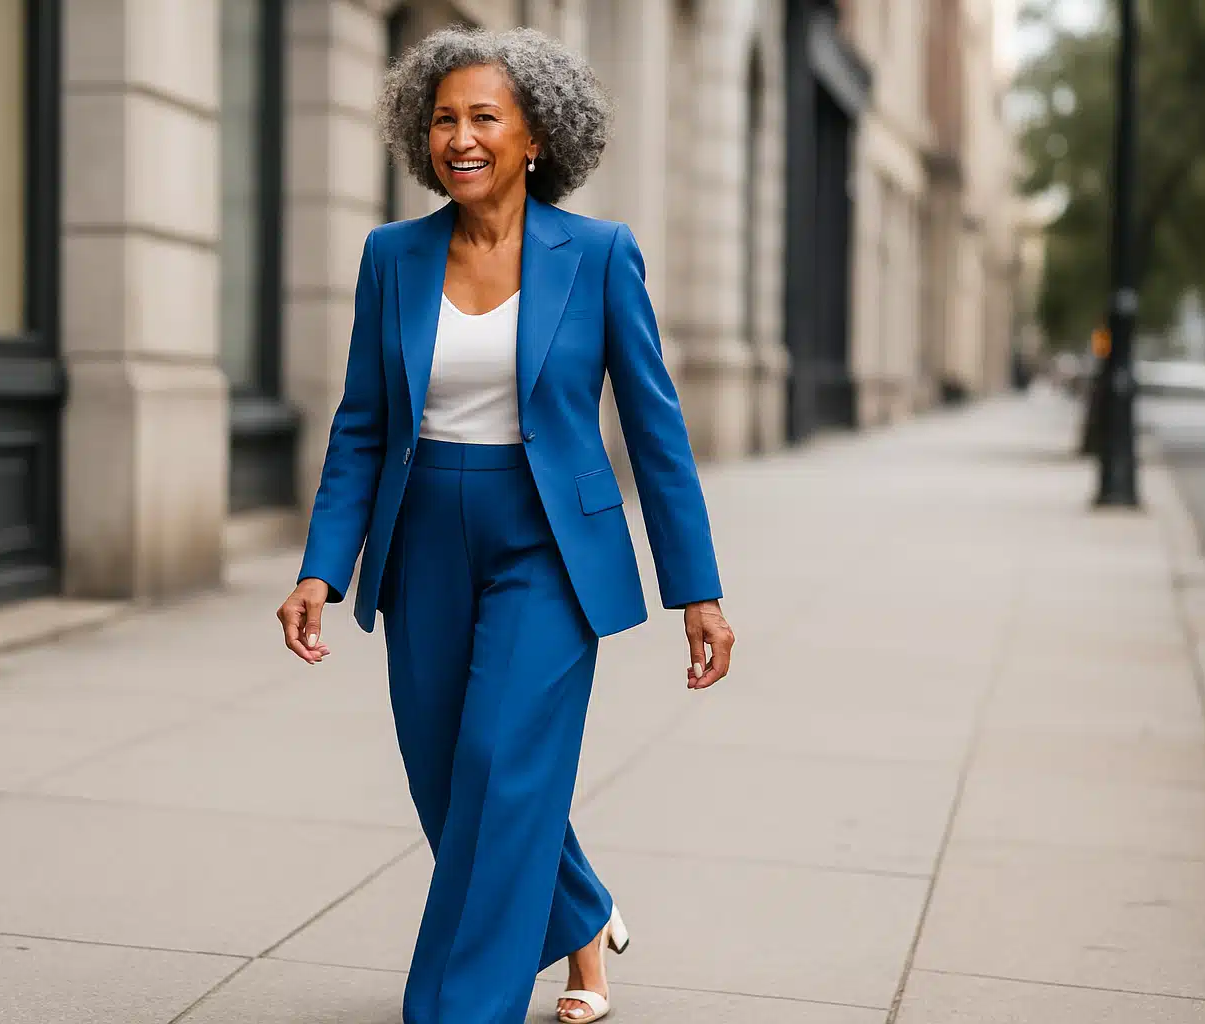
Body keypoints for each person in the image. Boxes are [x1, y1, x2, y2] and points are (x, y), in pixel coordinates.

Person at [276, 25, 735, 1024]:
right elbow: (361, 424)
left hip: (549, 547)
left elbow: (656, 432)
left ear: (536, 138)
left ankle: (455, 1005)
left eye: (485, 116)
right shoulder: (392, 256)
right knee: (450, 778)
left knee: (498, 761)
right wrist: (323, 566)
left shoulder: (601, 256)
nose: (461, 136)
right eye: (443, 117)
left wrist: (696, 585)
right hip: (423, 537)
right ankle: (583, 912)